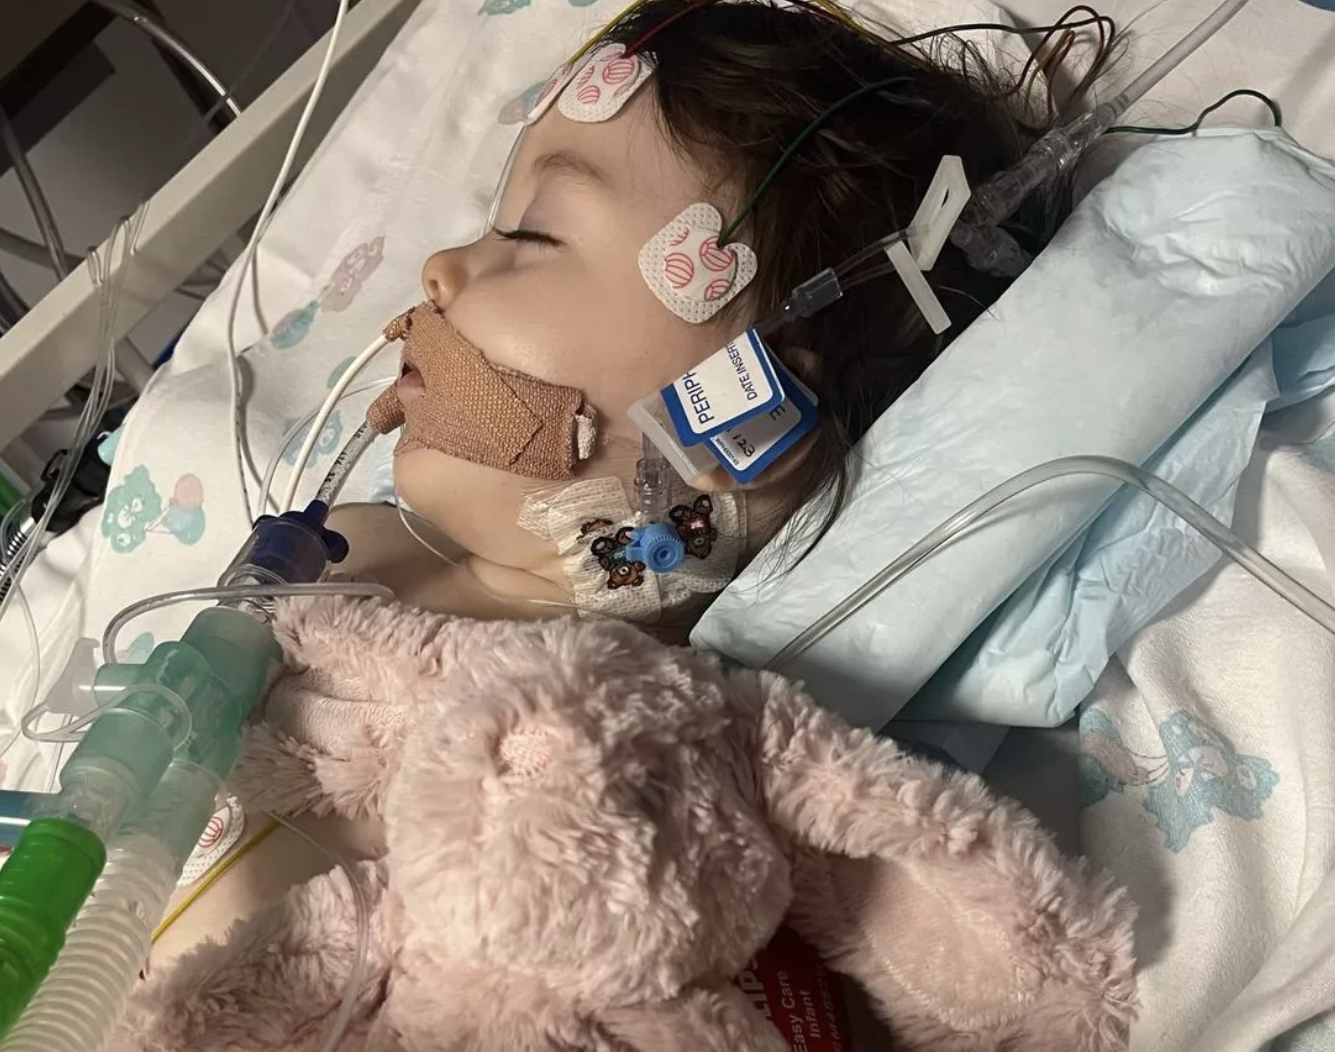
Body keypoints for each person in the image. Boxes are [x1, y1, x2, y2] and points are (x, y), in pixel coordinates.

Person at [150, 0, 1078, 986]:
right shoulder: (338, 553)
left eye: (532, 233)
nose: (443, 266)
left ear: (747, 413)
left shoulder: (650, 751)